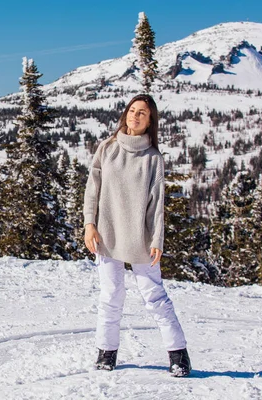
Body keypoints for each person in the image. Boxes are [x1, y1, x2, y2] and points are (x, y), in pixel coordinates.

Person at [83, 93, 191, 377]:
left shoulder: (153, 158)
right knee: (111, 295)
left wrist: (157, 240)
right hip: (107, 234)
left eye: (143, 112)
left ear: (150, 120)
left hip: (141, 238)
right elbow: (92, 189)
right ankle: (106, 352)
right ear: (125, 114)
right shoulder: (107, 148)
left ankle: (178, 354)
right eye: (133, 110)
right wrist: (88, 223)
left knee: (155, 296)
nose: (136, 115)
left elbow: (157, 205)